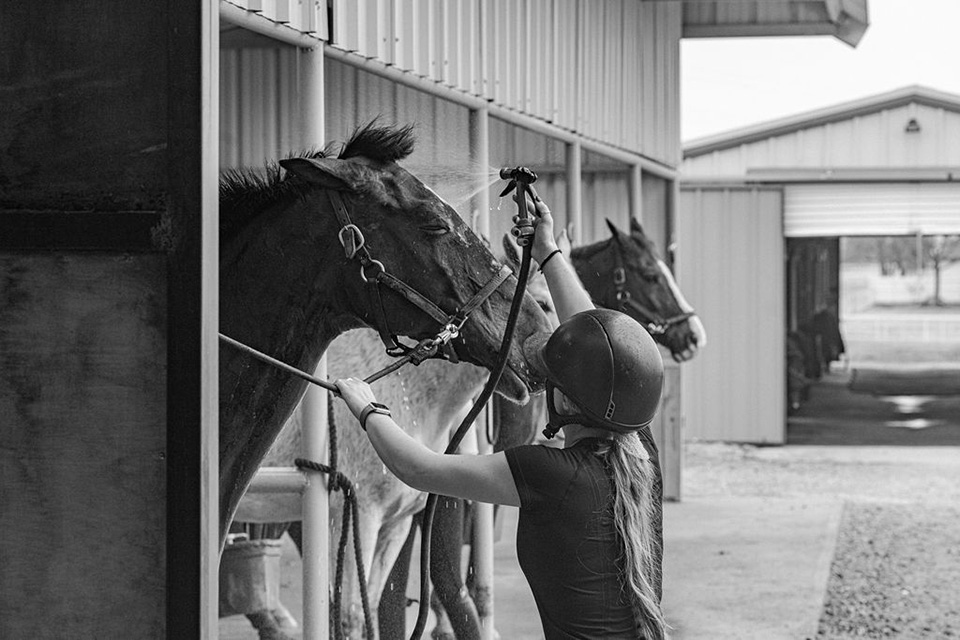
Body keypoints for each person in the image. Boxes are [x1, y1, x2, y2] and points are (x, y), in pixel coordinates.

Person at [335, 193, 667, 639]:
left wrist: (365, 404)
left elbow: (417, 467)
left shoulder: (547, 473)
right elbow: (601, 344)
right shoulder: (641, 454)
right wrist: (547, 250)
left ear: (564, 403)